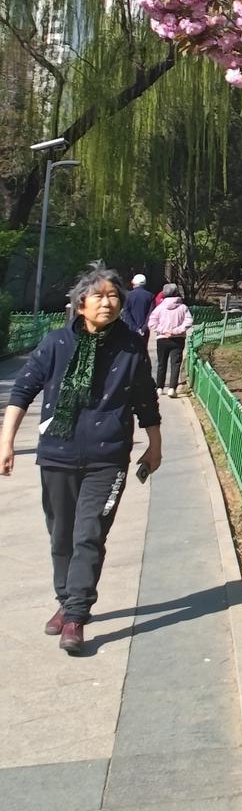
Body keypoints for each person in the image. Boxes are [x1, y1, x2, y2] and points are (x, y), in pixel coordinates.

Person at [0, 263, 161, 654]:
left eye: (114, 296)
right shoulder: (56, 343)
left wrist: (154, 445)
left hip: (108, 457)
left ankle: (75, 615)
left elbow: (146, 400)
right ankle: (64, 600)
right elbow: (22, 392)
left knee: (89, 533)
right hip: (57, 453)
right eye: (99, 296)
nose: (107, 302)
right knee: (61, 535)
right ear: (80, 303)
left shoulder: (130, 347)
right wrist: (6, 444)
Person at [148, 284, 194, 397]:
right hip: (178, 339)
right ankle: (172, 388)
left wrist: (164, 331)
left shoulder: (159, 308)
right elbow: (189, 321)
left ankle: (159, 387)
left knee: (161, 364)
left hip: (162, 338)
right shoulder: (183, 307)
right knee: (175, 364)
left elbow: (152, 323)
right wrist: (176, 331)